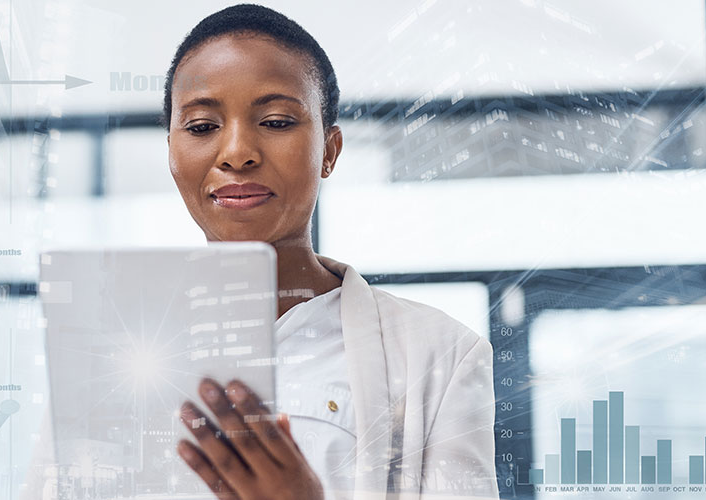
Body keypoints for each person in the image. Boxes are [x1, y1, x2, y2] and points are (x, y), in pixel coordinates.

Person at [161, 4, 497, 499]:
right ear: (170, 150)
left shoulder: (439, 355)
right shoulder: (104, 348)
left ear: (330, 151)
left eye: (275, 121)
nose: (236, 152)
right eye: (201, 127)